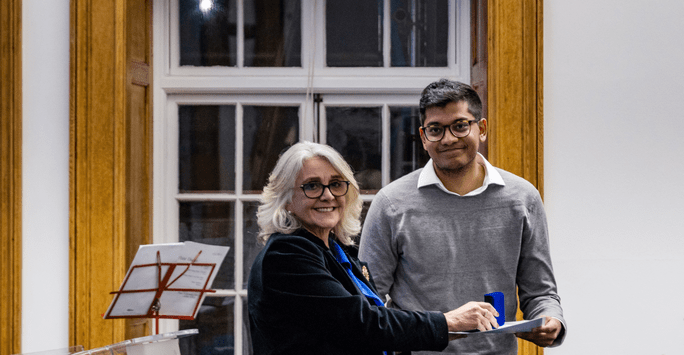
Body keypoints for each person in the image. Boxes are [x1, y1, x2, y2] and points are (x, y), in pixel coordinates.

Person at [358, 79, 567, 354]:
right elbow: (366, 301)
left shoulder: (523, 198)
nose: (448, 139)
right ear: (423, 137)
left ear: (481, 129)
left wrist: (553, 320)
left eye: (459, 126)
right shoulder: (391, 204)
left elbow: (540, 292)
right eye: (436, 130)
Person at [247, 141, 502, 355]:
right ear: (286, 200)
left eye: (336, 184)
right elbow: (362, 324)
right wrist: (448, 321)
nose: (328, 195)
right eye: (312, 186)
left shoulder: (339, 251)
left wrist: (452, 327)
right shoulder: (286, 255)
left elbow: (372, 328)